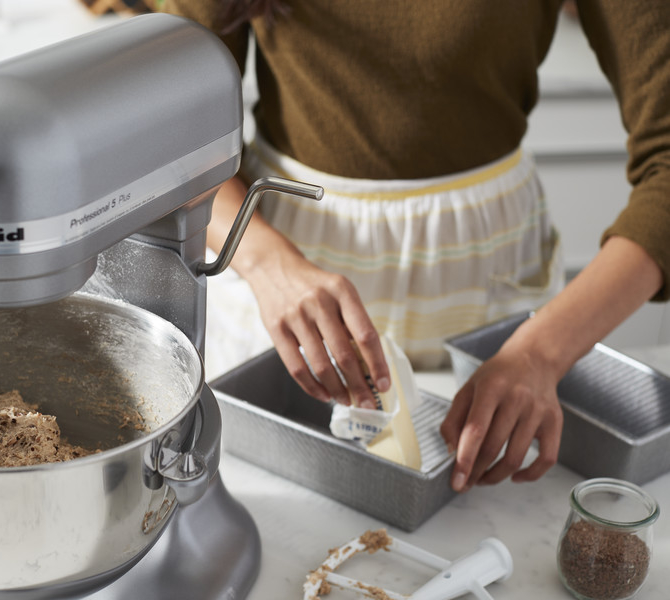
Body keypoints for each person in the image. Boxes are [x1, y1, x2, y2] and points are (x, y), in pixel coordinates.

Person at [155, 0, 669, 492]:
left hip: (489, 287)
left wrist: (541, 353)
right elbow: (171, 138)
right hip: (276, 263)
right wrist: (267, 263)